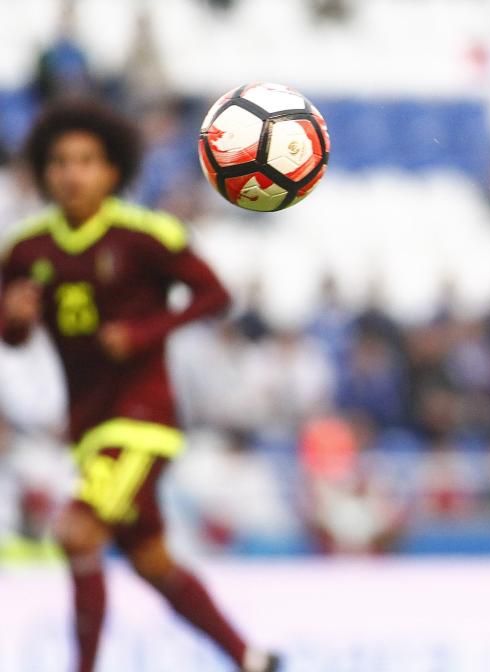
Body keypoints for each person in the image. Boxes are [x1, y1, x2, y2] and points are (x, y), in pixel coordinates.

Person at [0, 99, 280, 672]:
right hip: (88, 421)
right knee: (151, 559)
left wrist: (147, 329)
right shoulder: (25, 250)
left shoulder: (144, 234)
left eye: (86, 161)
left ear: (112, 171)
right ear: (44, 171)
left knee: (77, 532)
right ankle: (248, 658)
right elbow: (11, 336)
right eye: (59, 162)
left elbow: (215, 295)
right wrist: (16, 322)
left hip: (143, 418)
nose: (71, 173)